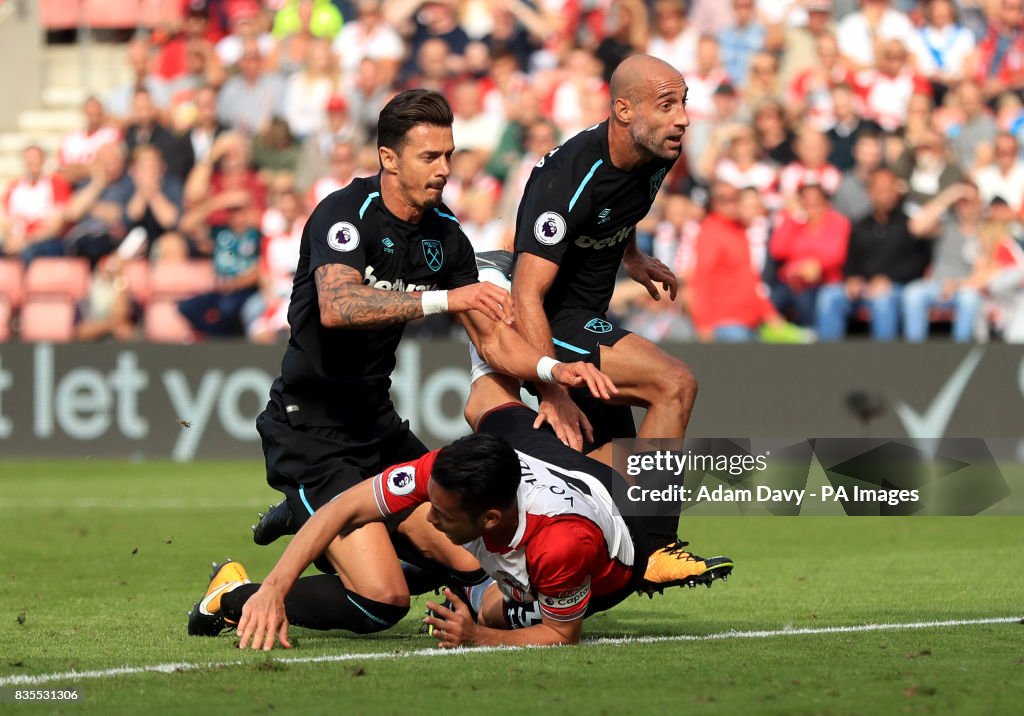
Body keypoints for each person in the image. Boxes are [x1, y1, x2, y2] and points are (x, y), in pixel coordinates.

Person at [224, 90, 615, 640]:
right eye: (430, 157)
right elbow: (339, 307)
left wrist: (551, 374)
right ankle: (235, 595)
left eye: (449, 155)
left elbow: (494, 342)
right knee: (381, 603)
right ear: (389, 158)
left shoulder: (444, 235)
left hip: (376, 424)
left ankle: (315, 521)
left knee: (471, 565)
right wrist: (444, 299)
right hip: (309, 429)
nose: (444, 170)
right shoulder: (346, 214)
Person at [201, 369, 734, 650]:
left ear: (490, 520)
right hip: (561, 475)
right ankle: (296, 519)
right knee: (484, 402)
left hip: (590, 556)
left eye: (444, 512)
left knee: (489, 606)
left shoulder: (561, 547)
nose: (429, 515)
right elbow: (345, 507)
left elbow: (560, 635)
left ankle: (650, 557)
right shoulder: (451, 469)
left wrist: (481, 639)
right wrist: (547, 380)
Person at [510, 54, 709, 560]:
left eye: (683, 102)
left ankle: (477, 545)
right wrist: (550, 387)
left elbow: (625, 205)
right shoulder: (567, 180)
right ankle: (660, 547)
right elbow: (526, 293)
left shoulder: (658, 151)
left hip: (590, 316)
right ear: (624, 110)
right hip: (553, 324)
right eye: (667, 105)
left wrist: (633, 257)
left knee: (609, 475)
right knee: (674, 384)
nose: (682, 117)